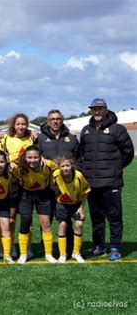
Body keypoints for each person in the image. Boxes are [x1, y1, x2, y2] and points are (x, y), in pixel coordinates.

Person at [78, 98, 134, 261]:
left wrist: (115, 168)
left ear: (106, 110)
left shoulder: (118, 129)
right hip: (92, 183)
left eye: (100, 109)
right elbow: (82, 153)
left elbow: (128, 152)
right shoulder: (86, 130)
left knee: (114, 217)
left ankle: (115, 248)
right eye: (94, 109)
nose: (97, 111)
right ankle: (98, 247)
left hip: (111, 183)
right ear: (91, 110)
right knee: (96, 218)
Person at [36, 110, 80, 257]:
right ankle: (46, 247)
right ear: (48, 122)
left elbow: (79, 158)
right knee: (45, 218)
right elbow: (34, 158)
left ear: (62, 121)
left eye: (58, 119)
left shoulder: (71, 138)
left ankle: (68, 247)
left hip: (66, 187)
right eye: (52, 119)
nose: (55, 122)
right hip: (47, 186)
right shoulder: (40, 138)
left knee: (65, 218)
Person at [1, 113, 35, 258]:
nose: (21, 127)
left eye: (23, 124)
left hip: (28, 181)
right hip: (13, 182)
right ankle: (13, 245)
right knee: (12, 215)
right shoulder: (6, 138)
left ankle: (27, 246)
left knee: (28, 216)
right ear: (13, 125)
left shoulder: (32, 137)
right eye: (18, 124)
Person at [16, 146, 57, 264]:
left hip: (43, 194)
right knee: (25, 221)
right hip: (26, 195)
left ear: (40, 157)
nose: (32, 160)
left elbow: (57, 169)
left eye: (35, 157)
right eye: (29, 157)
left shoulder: (48, 165)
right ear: (25, 157)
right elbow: (9, 162)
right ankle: (23, 254)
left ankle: (48, 254)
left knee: (46, 223)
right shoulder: (20, 167)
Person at [52, 154, 90, 263]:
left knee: (79, 224)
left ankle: (76, 253)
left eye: (67, 165)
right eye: (62, 166)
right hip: (62, 204)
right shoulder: (55, 175)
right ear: (59, 167)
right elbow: (50, 185)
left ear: (72, 165)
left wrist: (81, 207)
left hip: (76, 204)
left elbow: (86, 191)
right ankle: (62, 254)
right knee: (62, 225)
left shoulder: (78, 176)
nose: (65, 168)